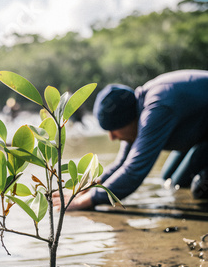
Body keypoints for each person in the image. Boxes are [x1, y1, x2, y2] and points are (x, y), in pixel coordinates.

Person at [55, 69, 208, 210]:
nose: (112, 137)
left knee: (199, 188)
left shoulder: (156, 110)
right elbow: (122, 164)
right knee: (169, 178)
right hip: (202, 131)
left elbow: (134, 171)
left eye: (113, 130)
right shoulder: (139, 107)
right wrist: (86, 189)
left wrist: (85, 201)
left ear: (128, 120)